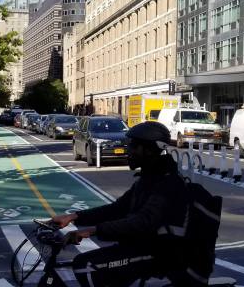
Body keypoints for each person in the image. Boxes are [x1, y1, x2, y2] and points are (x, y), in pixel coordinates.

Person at [49, 122, 198, 286]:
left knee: (85, 266)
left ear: (148, 150)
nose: (129, 151)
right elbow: (117, 209)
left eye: (133, 146)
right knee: (82, 262)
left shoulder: (168, 183)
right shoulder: (147, 180)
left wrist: (93, 230)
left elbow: (144, 221)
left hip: (162, 253)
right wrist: (73, 216)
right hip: (140, 247)